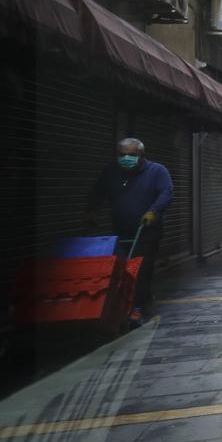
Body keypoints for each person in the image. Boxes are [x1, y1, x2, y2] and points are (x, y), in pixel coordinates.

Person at [85, 138, 172, 325]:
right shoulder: (111, 172)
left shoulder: (156, 171)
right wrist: (92, 211)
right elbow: (98, 192)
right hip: (120, 230)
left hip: (147, 230)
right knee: (119, 268)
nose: (126, 158)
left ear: (141, 155)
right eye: (122, 154)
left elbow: (166, 192)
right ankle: (124, 303)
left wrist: (153, 211)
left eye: (131, 155)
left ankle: (138, 306)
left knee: (140, 268)